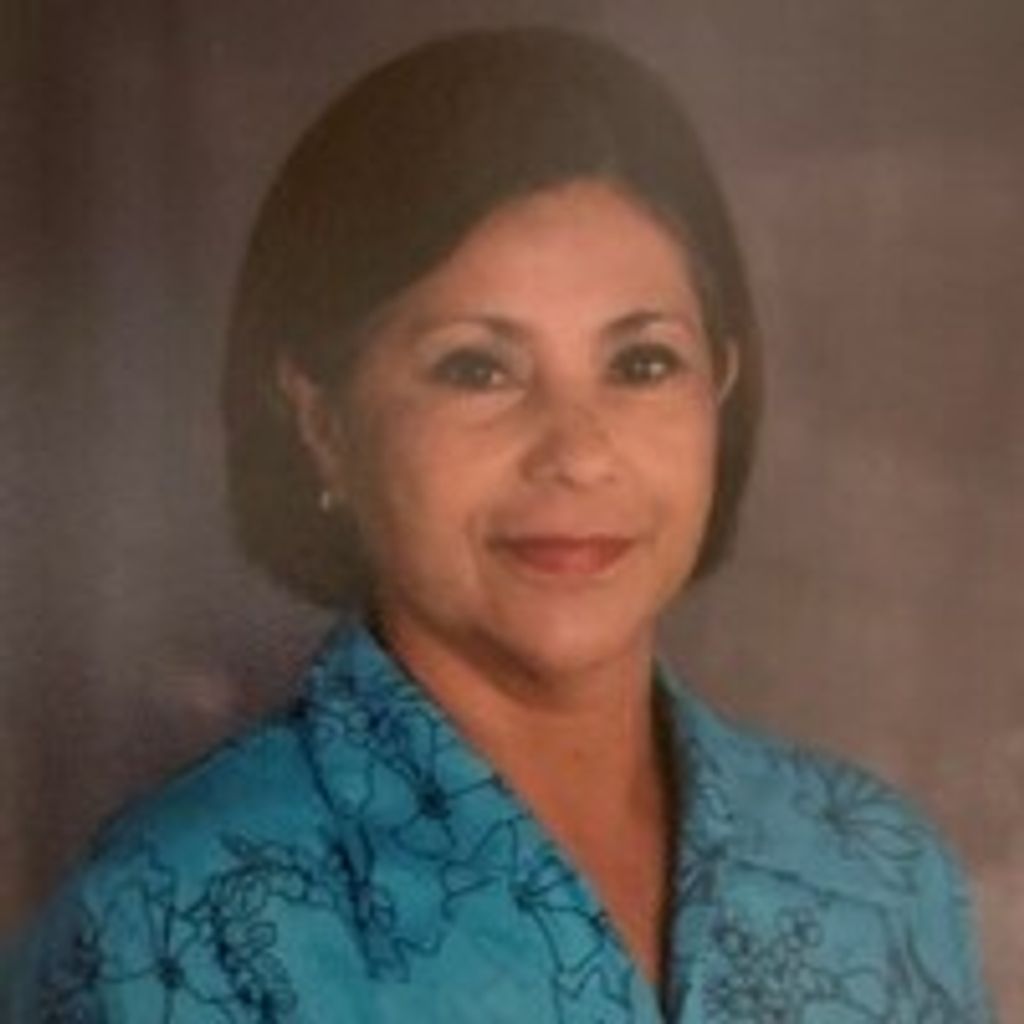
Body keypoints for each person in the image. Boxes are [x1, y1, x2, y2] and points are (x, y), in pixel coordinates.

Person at [3, 26, 993, 1023]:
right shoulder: (163, 925)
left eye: (642, 363)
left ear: (719, 390)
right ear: (323, 424)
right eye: (477, 368)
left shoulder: (877, 876)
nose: (577, 450)